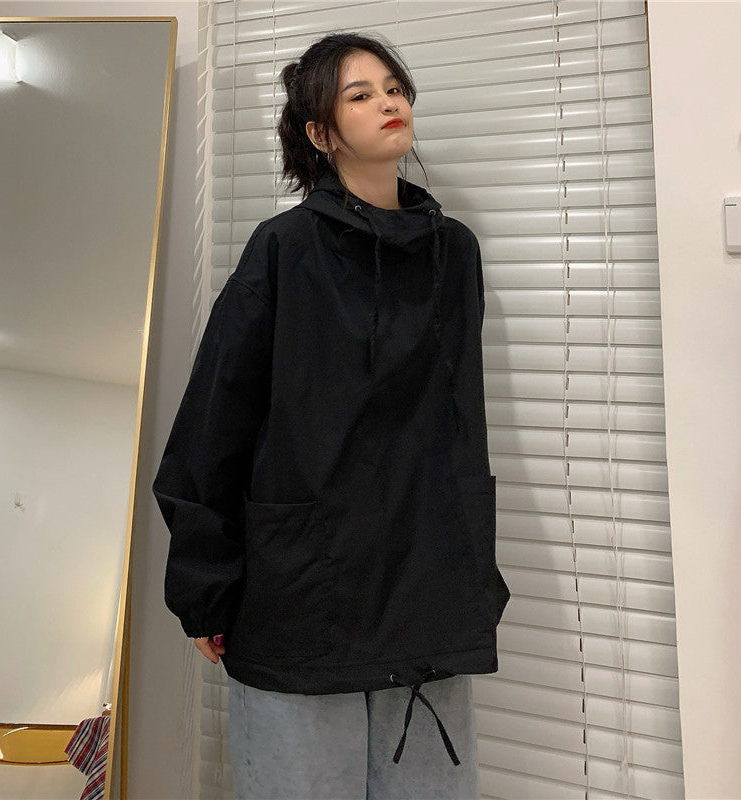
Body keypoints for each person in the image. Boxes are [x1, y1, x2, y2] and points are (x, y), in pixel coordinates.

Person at [153, 31, 510, 800]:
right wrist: (206, 584)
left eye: (394, 87)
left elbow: (459, 427)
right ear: (320, 133)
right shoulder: (284, 250)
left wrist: (471, 570)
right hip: (302, 600)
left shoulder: (454, 254)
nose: (388, 102)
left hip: (426, 597)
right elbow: (215, 420)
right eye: (361, 94)